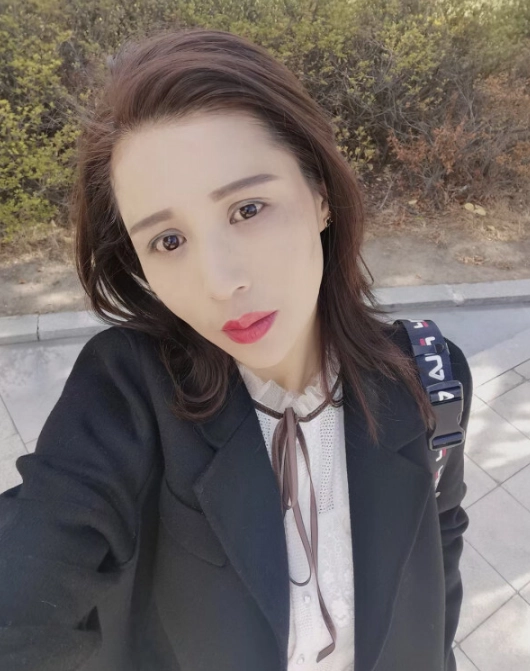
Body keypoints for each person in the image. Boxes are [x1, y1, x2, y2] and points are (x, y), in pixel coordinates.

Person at [0, 27, 472, 671]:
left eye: (248, 209)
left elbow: (441, 538)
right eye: (168, 241)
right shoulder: (127, 391)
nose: (220, 283)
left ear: (320, 195)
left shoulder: (428, 375)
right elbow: (35, 568)